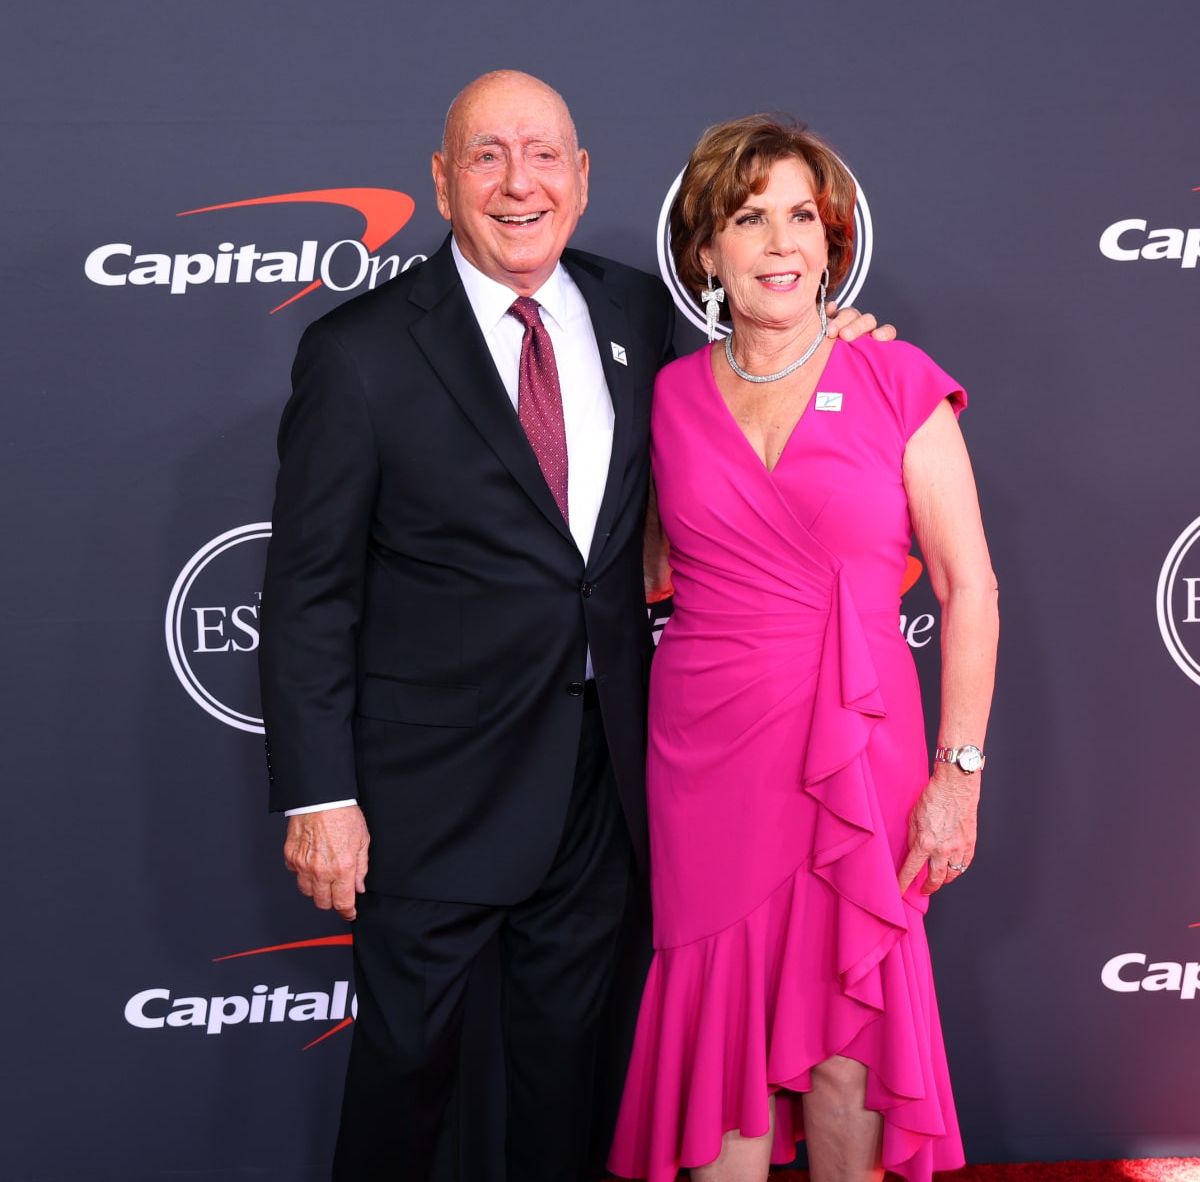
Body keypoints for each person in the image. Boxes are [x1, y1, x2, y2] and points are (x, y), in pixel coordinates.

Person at [259, 73, 887, 1182]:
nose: (520, 183)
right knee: (406, 1080)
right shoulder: (358, 352)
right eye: (488, 156)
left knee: (569, 1086)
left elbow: (753, 398)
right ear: (442, 181)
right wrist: (320, 797)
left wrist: (834, 343)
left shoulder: (638, 313)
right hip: (428, 800)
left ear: (583, 178)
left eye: (544, 155)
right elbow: (308, 594)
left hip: (606, 787)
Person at [608, 115, 998, 1182]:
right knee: (720, 1030)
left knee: (847, 1038)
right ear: (706, 250)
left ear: (831, 244)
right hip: (707, 755)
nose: (779, 243)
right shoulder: (667, 397)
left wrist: (958, 775)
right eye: (748, 219)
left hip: (859, 748)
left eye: (801, 219)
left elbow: (969, 588)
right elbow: (640, 571)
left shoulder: (896, 378)